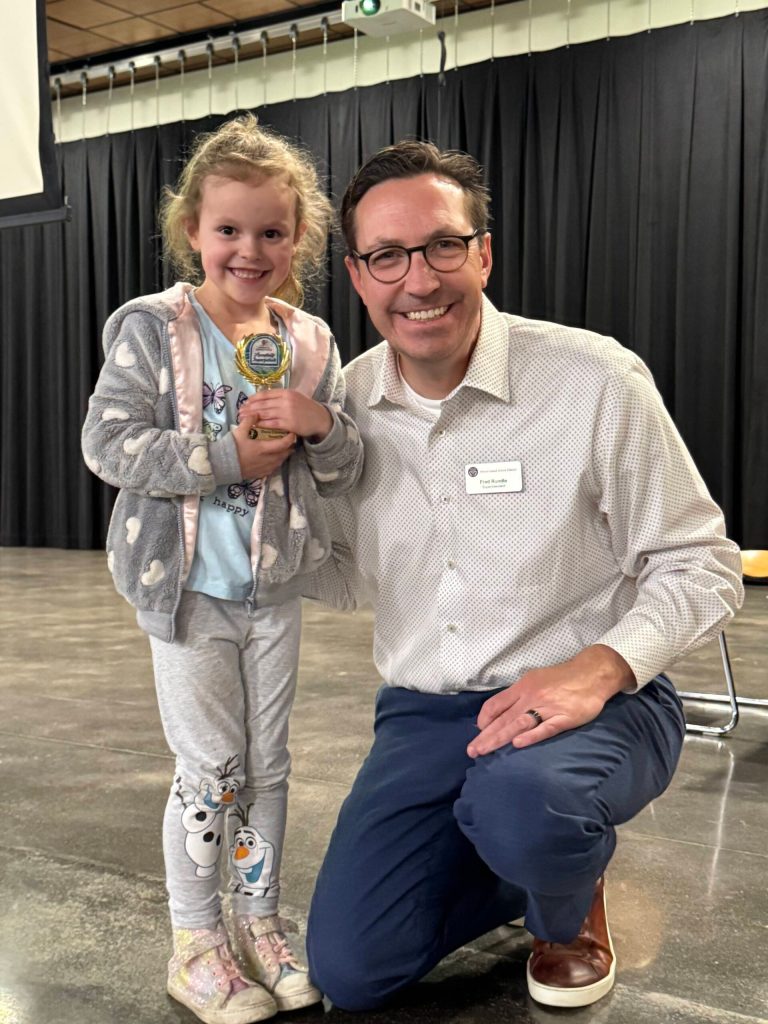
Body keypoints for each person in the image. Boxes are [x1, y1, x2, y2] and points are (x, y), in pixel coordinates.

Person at [303, 141, 744, 1012]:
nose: (418, 280)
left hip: (596, 701)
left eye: (441, 246)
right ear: (358, 276)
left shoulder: (593, 379)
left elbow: (703, 563)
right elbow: (349, 579)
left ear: (484, 253)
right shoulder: (344, 410)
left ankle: (564, 898)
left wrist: (601, 667)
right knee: (352, 971)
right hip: (425, 716)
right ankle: (522, 857)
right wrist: (238, 526)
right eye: (387, 256)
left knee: (528, 802)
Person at [81, 114, 363, 1024]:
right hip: (187, 589)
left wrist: (323, 429)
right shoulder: (152, 327)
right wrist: (222, 458)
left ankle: (257, 922)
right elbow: (108, 443)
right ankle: (194, 942)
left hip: (274, 588)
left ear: (300, 239)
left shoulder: (312, 340)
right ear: (191, 230)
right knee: (212, 769)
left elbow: (348, 465)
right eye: (229, 229)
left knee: (269, 766)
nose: (250, 249)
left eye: (272, 232)